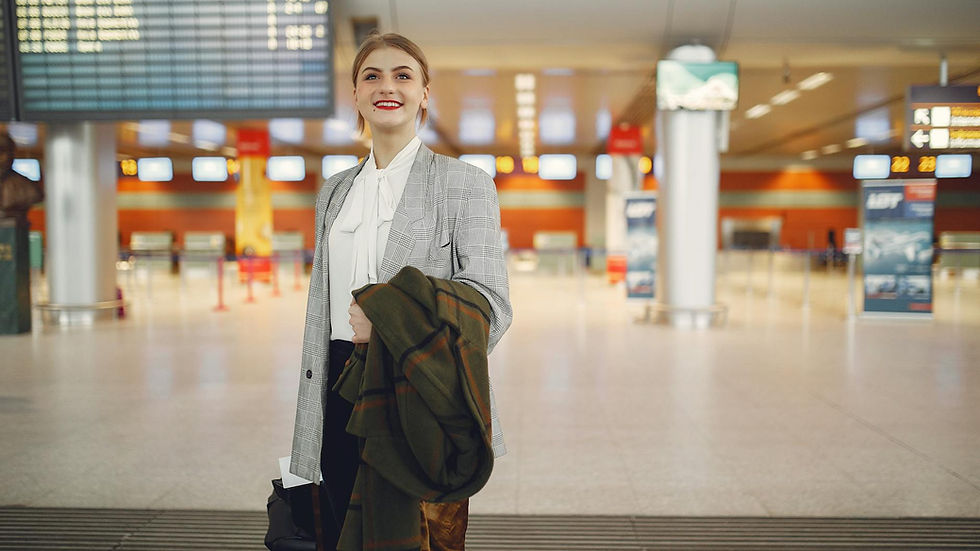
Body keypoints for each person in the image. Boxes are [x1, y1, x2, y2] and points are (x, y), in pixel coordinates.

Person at [289, 32, 512, 550]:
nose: (386, 87)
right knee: (342, 530)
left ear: (424, 93)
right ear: (356, 94)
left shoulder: (464, 183)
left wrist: (391, 319)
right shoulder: (335, 190)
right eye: (372, 76)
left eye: (403, 76)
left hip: (418, 389)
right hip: (337, 387)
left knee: (417, 537)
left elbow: (491, 304)